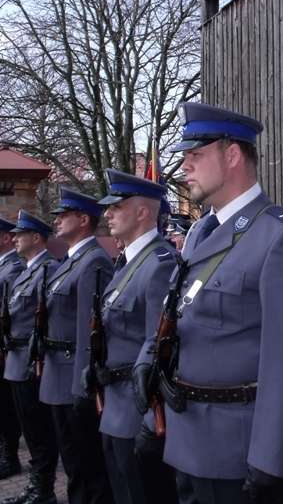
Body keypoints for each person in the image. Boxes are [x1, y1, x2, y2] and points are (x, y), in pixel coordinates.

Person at [135, 102, 283, 504]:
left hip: (236, 454)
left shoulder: (282, 237)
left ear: (233, 154)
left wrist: (272, 461)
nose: (185, 165)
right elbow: (177, 315)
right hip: (187, 443)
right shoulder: (200, 234)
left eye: (195, 154)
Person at [83, 169, 178, 504]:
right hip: (115, 406)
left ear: (142, 212)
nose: (107, 213)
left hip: (138, 411)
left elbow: (161, 347)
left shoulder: (160, 263)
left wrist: (151, 420)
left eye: (116, 206)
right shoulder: (129, 263)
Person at [39, 187, 115, 504]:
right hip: (59, 373)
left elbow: (90, 329)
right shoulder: (72, 261)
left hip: (75, 375)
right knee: (72, 461)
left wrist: (83, 386)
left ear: (83, 220)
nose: (57, 220)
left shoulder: (93, 261)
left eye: (64, 215)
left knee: (87, 463)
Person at [1, 211, 60, 504]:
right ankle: (36, 487)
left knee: (38, 430)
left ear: (36, 238)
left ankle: (43, 489)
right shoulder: (27, 269)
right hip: (16, 357)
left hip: (30, 359)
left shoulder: (48, 268)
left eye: (20, 235)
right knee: (29, 427)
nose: (15, 239)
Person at [0, 216, 24, 481]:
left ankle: (9, 456)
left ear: (5, 238)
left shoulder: (13, 268)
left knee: (6, 406)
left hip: (6, 348)